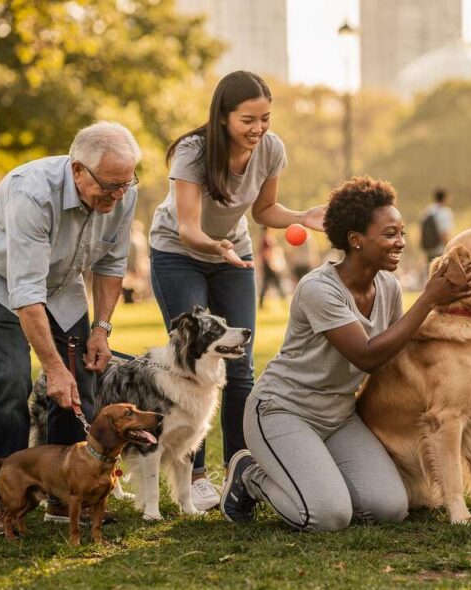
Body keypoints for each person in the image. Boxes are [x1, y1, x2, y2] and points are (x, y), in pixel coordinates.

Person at [220, 176, 471, 531]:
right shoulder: (318, 289)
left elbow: (396, 349)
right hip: (284, 410)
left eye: (402, 233)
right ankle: (250, 475)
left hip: (340, 416)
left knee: (389, 508)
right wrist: (429, 299)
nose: (401, 242)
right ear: (356, 240)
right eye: (390, 234)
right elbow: (367, 356)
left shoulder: (387, 286)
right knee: (327, 516)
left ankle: (314, 475)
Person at [148, 71, 325, 511]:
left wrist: (303, 215)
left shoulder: (271, 149)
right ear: (223, 116)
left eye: (265, 118)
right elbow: (188, 227)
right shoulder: (193, 152)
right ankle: (197, 475)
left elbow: (264, 211)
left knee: (240, 366)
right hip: (178, 253)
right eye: (248, 119)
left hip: (234, 256)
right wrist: (215, 245)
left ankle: (240, 468)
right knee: (191, 361)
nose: (258, 128)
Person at [0, 121, 141, 535]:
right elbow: (25, 292)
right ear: (78, 170)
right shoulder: (32, 193)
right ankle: (3, 503)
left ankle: (63, 497)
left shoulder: (122, 191)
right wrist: (52, 368)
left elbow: (111, 265)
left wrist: (101, 329)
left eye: (126, 185)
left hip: (61, 283)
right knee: (12, 380)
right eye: (109, 186)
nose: (118, 196)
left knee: (82, 377)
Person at [420, 188, 454, 268]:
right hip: (441, 250)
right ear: (445, 198)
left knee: (431, 273)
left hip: (429, 250)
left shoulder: (428, 211)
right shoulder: (444, 212)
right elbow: (444, 233)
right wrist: (450, 250)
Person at [257, 227, 286, 308]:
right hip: (269, 265)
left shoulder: (264, 239)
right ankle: (284, 300)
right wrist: (271, 264)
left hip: (267, 264)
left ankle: (261, 304)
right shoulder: (266, 239)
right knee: (277, 282)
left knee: (267, 284)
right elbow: (266, 252)